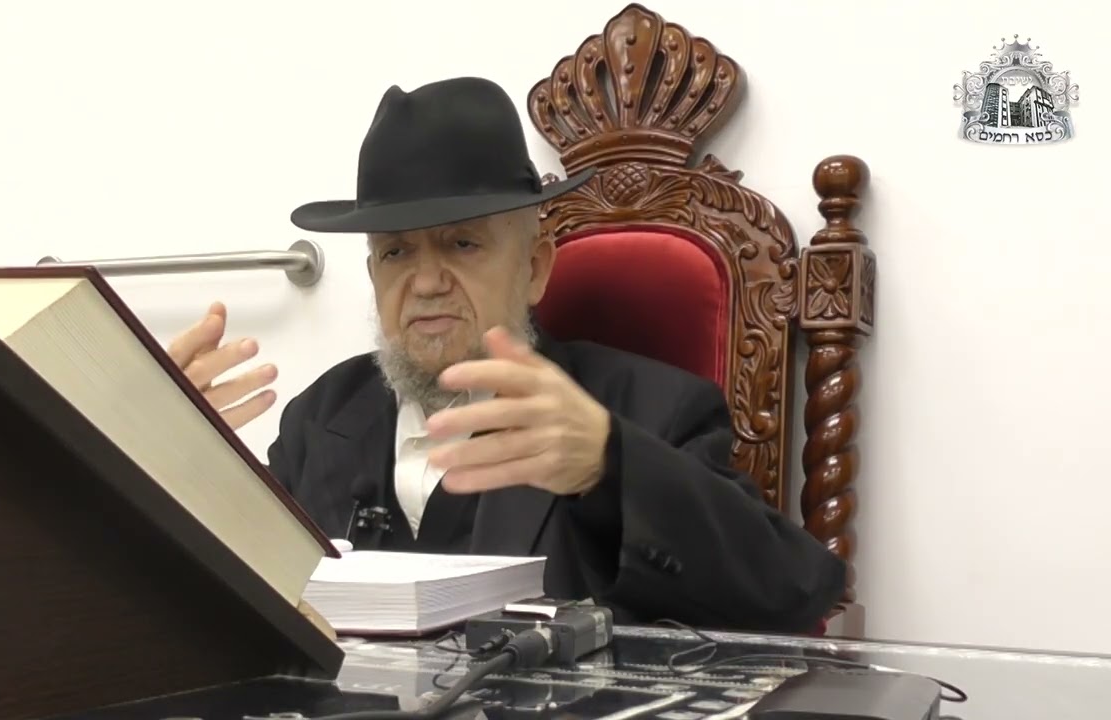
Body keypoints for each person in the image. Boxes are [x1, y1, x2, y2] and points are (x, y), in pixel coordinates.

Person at [166, 77, 845, 632]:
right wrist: (165, 460)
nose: (425, 282)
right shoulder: (319, 419)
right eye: (396, 252)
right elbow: (231, 605)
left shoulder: (653, 410)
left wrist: (608, 466)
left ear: (536, 268)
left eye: (462, 244)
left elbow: (796, 593)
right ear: (373, 276)